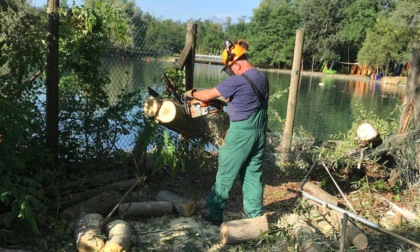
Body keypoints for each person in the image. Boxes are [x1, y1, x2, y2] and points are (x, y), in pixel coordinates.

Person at [184, 39, 269, 225]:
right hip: (259, 133)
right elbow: (247, 100)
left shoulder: (239, 81)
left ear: (236, 63)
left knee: (226, 173)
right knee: (253, 174)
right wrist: (226, 103)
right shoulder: (261, 77)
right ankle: (255, 217)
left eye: (230, 69)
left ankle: (214, 213)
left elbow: (206, 96)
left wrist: (192, 93)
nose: (231, 73)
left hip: (240, 135)